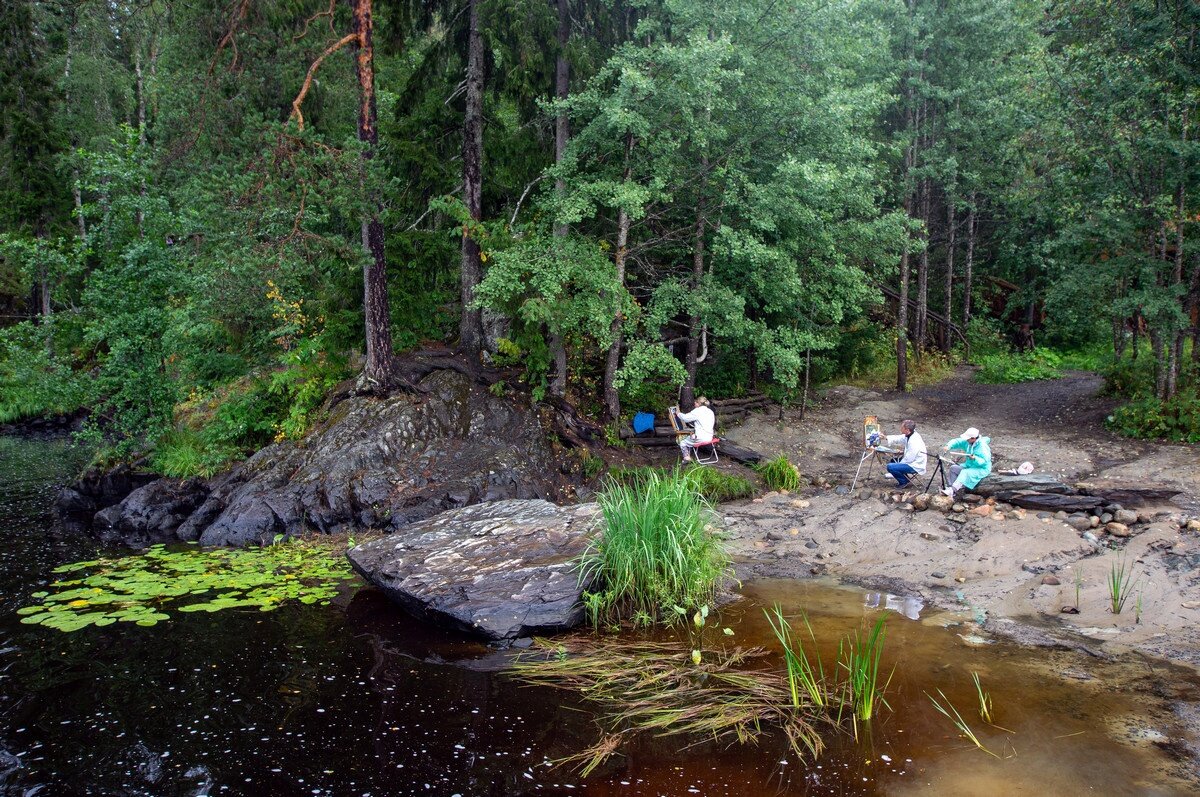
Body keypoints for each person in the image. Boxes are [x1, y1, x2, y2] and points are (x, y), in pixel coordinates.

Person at [941, 427, 992, 498]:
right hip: (970, 466)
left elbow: (985, 461)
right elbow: (957, 441)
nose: (966, 440)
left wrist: (975, 459)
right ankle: (951, 488)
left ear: (973, 438)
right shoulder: (969, 442)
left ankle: (952, 490)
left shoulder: (982, 447)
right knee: (953, 468)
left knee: (965, 472)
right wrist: (948, 445)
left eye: (968, 438)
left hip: (981, 469)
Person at [882, 419, 927, 487]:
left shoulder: (914, 442)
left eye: (902, 428)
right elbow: (900, 438)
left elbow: (909, 458)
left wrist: (898, 464)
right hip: (912, 460)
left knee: (891, 467)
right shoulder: (910, 434)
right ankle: (904, 478)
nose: (900, 429)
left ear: (907, 430)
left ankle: (904, 481)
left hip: (915, 465)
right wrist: (886, 437)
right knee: (893, 461)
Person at [676, 397, 716, 463]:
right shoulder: (710, 411)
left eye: (696, 402)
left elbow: (685, 418)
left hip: (701, 438)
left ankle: (687, 458)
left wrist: (678, 414)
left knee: (682, 441)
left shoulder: (698, 411)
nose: (694, 402)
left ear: (699, 403)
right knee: (691, 436)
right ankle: (689, 455)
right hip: (710, 437)